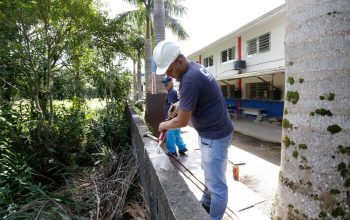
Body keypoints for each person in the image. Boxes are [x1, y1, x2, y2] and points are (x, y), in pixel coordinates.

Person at [153, 40, 234, 220]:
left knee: (218, 186)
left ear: (179, 61)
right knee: (209, 173)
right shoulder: (194, 68)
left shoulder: (189, 79)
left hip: (214, 136)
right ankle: (206, 202)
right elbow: (198, 95)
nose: (169, 74)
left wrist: (162, 125)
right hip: (215, 132)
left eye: (169, 69)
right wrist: (179, 104)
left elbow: (182, 121)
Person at [161, 76, 188, 157]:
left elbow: (172, 107)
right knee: (176, 134)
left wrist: (168, 119)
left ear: (171, 83)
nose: (165, 87)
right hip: (176, 118)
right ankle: (182, 147)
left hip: (172, 119)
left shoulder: (171, 92)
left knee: (170, 134)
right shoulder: (173, 91)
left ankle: (171, 151)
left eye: (166, 85)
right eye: (164, 85)